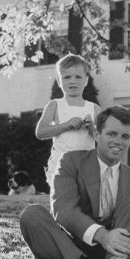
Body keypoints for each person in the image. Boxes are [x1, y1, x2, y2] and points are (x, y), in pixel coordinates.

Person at [20, 106, 130, 259]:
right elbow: (63, 210)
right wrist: (103, 236)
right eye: (112, 133)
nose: (119, 141)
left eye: (125, 136)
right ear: (97, 134)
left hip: (111, 258)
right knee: (32, 215)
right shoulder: (71, 161)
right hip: (71, 253)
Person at [36, 53, 101, 187]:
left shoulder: (94, 108)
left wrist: (91, 128)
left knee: (85, 203)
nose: (73, 81)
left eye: (78, 77)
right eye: (67, 77)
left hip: (86, 166)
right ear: (59, 81)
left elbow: (102, 138)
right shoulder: (55, 105)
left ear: (86, 81)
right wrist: (65, 125)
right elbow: (40, 132)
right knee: (63, 200)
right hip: (61, 166)